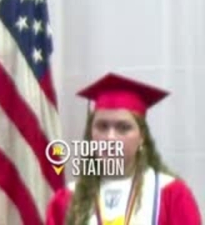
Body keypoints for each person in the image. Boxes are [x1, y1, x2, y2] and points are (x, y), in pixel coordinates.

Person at [46, 73, 201, 225]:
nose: (110, 138)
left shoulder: (171, 195)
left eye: (123, 127)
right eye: (102, 126)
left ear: (142, 137)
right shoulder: (67, 199)